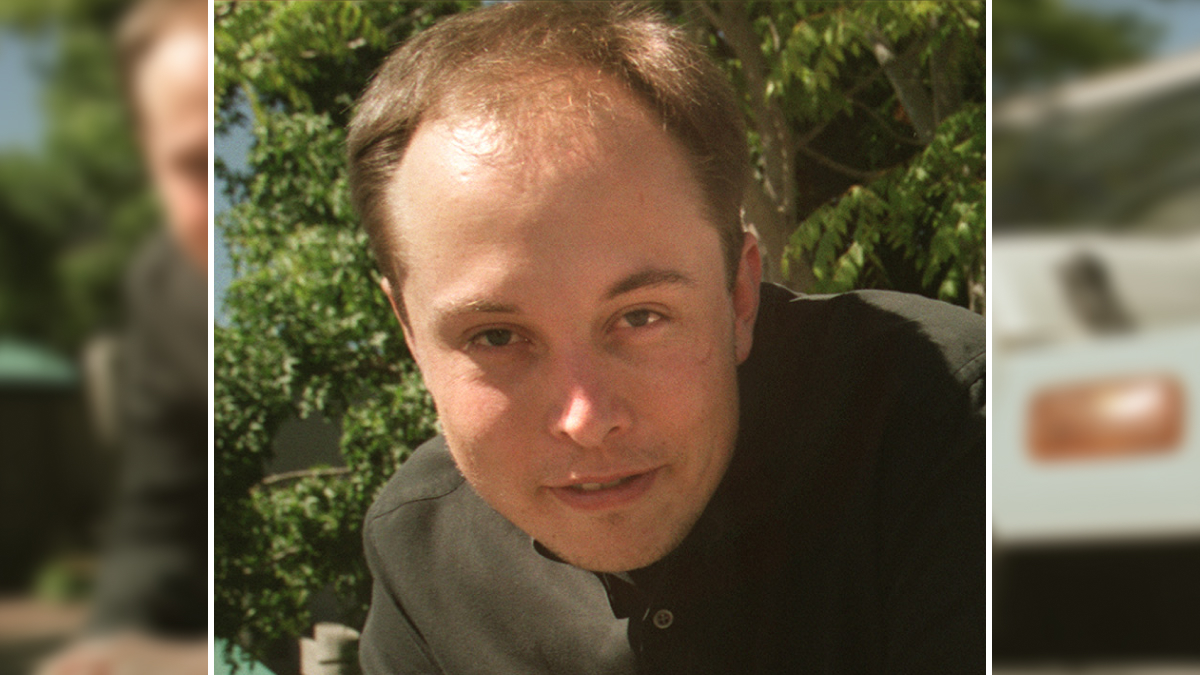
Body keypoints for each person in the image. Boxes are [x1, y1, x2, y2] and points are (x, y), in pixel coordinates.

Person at [347, 3, 984, 673]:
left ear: (738, 296)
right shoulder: (419, 548)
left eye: (640, 317)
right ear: (411, 335)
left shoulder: (954, 429)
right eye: (497, 335)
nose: (586, 419)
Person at [36, 0, 208, 673]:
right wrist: (110, 648)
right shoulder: (160, 287)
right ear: (148, 154)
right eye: (187, 165)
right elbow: (156, 515)